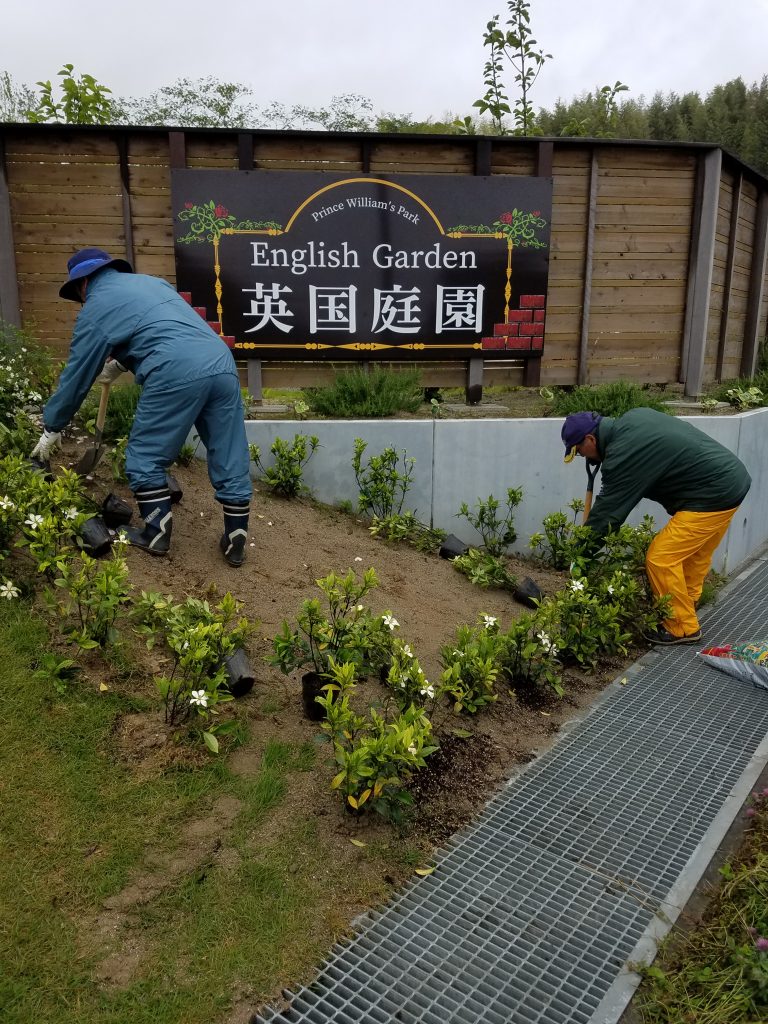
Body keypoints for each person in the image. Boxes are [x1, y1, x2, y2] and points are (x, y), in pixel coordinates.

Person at [31, 248, 252, 566]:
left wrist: (52, 425)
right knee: (228, 449)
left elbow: (76, 377)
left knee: (146, 456)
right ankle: (236, 540)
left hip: (175, 368)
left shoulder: (96, 305)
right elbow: (164, 327)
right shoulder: (152, 283)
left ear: (82, 284)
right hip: (220, 363)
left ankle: (155, 534)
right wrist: (121, 360)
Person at [561, 408, 751, 645]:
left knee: (661, 558)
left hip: (711, 495)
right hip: (731, 481)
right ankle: (686, 604)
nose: (581, 456)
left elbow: (608, 513)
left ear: (590, 439)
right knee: (693, 554)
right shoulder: (633, 418)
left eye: (579, 451)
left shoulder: (624, 455)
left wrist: (582, 554)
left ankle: (681, 627)